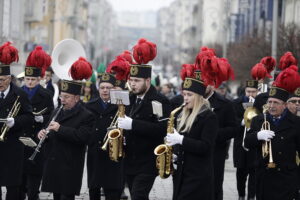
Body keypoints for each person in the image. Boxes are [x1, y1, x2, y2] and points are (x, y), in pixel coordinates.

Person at [117, 38, 171, 200]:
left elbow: (161, 129)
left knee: (139, 195)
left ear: (147, 81)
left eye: (137, 81)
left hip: (148, 160)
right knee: (136, 194)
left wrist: (133, 124)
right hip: (130, 159)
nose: (133, 85)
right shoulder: (131, 98)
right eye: (131, 80)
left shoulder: (160, 100)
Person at [38, 57, 95, 200]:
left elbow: (83, 137)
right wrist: (42, 134)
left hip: (70, 165)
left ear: (76, 98)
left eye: (66, 97)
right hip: (54, 163)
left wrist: (60, 129)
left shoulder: (86, 115)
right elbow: (49, 130)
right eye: (62, 97)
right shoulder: (56, 111)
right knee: (56, 196)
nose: (62, 100)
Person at [244, 70, 300, 200]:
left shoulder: (296, 122)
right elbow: (247, 142)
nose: (271, 106)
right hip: (265, 177)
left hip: (287, 178)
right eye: (269, 102)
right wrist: (257, 136)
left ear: (285, 105)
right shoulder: (259, 120)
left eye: (276, 103)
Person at [166, 76, 218, 200]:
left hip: (198, 175)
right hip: (182, 173)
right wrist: (175, 153)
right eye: (184, 94)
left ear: (199, 97)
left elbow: (206, 146)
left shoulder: (209, 117)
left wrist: (181, 140)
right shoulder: (183, 114)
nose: (185, 98)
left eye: (189, 95)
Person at [0, 42, 34, 200]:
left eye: (3, 79)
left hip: (13, 146)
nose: (0, 83)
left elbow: (29, 117)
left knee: (13, 185)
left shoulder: (20, 94)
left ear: (10, 78)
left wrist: (15, 122)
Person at [20, 46, 54, 200]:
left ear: (39, 79)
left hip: (36, 142)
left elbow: (52, 115)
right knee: (19, 186)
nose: (30, 82)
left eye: (33, 79)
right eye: (27, 79)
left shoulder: (46, 94)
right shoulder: (18, 93)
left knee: (33, 188)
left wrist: (43, 119)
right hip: (20, 141)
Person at [85, 73, 124, 200]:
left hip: (113, 153)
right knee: (94, 189)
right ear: (98, 89)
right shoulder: (90, 105)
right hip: (95, 152)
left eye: (108, 88)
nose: (105, 90)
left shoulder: (121, 106)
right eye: (102, 87)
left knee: (113, 190)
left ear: (114, 89)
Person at [233, 80, 258, 200]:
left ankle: (251, 196)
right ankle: (241, 195)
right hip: (240, 143)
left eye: (253, 92)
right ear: (245, 91)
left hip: (254, 143)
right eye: (248, 91)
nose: (250, 94)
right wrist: (242, 122)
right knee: (240, 172)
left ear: (257, 92)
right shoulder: (236, 103)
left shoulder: (260, 103)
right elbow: (232, 121)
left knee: (254, 171)